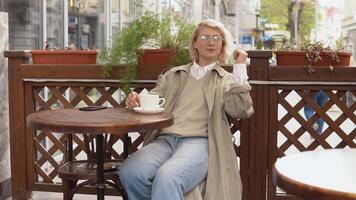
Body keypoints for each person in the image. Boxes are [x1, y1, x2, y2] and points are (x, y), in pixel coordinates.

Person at [119, 19, 254, 200]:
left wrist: (239, 68)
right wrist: (134, 101)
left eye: (217, 38)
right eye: (205, 37)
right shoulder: (173, 75)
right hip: (164, 141)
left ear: (222, 45)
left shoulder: (227, 80)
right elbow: (151, 101)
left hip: (201, 143)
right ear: (195, 44)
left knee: (168, 177)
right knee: (131, 171)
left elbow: (242, 110)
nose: (211, 41)